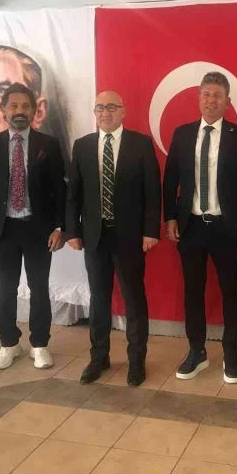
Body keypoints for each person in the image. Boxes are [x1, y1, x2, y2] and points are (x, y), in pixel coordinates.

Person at [163, 71, 237, 384]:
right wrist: (170, 217)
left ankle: (231, 353)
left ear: (227, 101)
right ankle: (197, 351)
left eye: (217, 95)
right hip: (190, 226)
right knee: (193, 291)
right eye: (206, 94)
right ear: (198, 98)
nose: (211, 100)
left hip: (227, 227)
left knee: (231, 291)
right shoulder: (182, 134)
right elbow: (170, 179)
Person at [66, 91, 161, 387]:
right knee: (99, 299)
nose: (105, 112)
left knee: (134, 299)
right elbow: (74, 193)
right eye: (99, 107)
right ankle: (99, 357)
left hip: (129, 236)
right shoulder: (82, 145)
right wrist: (72, 231)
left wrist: (150, 231)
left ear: (123, 111)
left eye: (111, 107)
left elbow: (152, 192)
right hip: (94, 237)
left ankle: (136, 360)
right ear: (95, 112)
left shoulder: (140, 144)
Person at [0, 83, 67, 370]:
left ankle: (39, 344)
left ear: (34, 111)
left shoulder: (48, 145)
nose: (19, 111)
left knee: (39, 287)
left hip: (39, 230)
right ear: (4, 110)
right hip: (3, 230)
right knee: (6, 289)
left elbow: (60, 190)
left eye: (25, 106)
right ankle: (9, 344)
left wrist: (60, 227)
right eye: (13, 106)